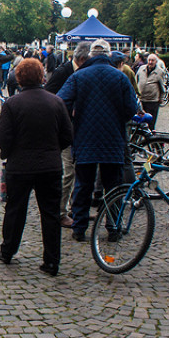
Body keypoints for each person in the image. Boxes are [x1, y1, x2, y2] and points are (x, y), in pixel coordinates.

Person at [0, 58, 74, 276]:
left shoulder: (12, 104)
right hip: (49, 165)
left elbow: (4, 136)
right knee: (50, 214)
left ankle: (8, 251)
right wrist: (53, 150)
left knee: (15, 210)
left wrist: (8, 154)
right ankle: (51, 261)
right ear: (42, 77)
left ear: (19, 78)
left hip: (19, 166)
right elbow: (68, 135)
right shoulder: (56, 102)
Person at [58, 39, 139, 242]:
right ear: (109, 55)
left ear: (91, 55)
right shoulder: (120, 77)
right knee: (113, 185)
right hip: (113, 139)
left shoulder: (78, 76)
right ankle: (113, 227)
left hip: (85, 138)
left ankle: (79, 227)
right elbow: (131, 108)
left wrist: (74, 119)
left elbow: (61, 101)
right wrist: (117, 117)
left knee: (83, 185)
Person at [45, 42, 90, 229]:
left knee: (76, 169)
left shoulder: (80, 72)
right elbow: (49, 96)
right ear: (81, 59)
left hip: (78, 128)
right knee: (68, 171)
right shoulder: (64, 72)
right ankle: (60, 212)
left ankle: (72, 208)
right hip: (64, 128)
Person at [135, 54, 165, 129]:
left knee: (151, 122)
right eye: (149, 60)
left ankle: (150, 138)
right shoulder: (141, 69)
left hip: (152, 100)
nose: (150, 62)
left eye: (152, 60)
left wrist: (161, 98)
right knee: (138, 121)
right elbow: (136, 81)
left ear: (156, 62)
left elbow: (162, 86)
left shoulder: (160, 72)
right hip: (141, 99)